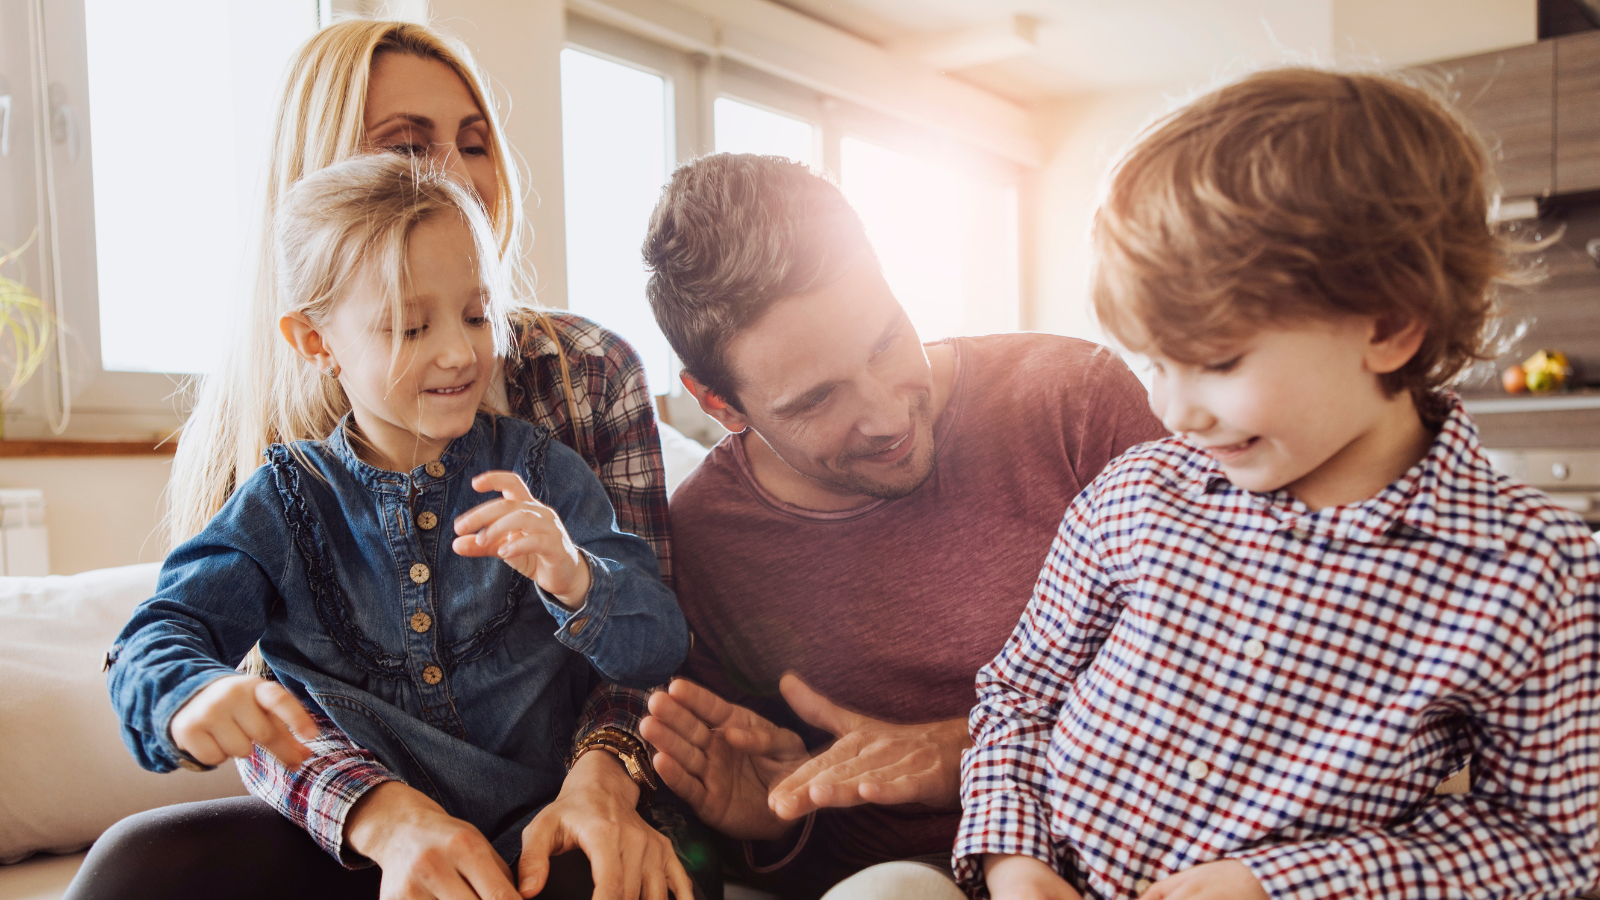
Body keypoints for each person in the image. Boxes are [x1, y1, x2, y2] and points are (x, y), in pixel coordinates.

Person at [68, 20, 698, 900]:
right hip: (356, 835)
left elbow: (658, 641)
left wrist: (576, 576)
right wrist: (186, 699)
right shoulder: (283, 494)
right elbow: (161, 636)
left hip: (537, 822)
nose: (458, 356)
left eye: (478, 317)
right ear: (315, 337)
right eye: (411, 324)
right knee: (131, 867)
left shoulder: (544, 464)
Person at [957, 68, 1600, 900]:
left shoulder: (1533, 573)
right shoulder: (1139, 492)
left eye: (1218, 362)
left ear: (1388, 325)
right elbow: (1018, 698)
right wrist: (1015, 863)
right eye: (1154, 362)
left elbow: (1549, 842)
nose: (1173, 409)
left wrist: (1284, 884)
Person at [634, 153, 1169, 899]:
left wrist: (965, 753)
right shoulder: (706, 541)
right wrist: (778, 823)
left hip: (1140, 848)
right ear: (720, 406)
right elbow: (796, 835)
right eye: (816, 399)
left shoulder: (1074, 403)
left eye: (886, 341)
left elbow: (1234, 674)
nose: (888, 415)